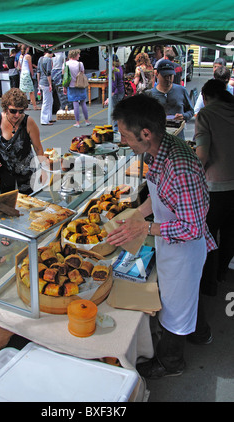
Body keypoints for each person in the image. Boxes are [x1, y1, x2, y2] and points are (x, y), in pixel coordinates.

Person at [107, 94, 216, 378]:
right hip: (170, 242)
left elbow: (192, 227)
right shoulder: (158, 150)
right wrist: (134, 216)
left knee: (176, 305)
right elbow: (157, 199)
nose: (124, 142)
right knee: (186, 296)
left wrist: (146, 228)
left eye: (125, 135)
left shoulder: (179, 165)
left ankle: (170, 362)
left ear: (145, 133)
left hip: (185, 248)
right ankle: (201, 333)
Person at [195, 79, 234, 295]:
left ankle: (208, 285)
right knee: (230, 234)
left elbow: (202, 155)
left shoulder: (206, 115)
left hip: (216, 188)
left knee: (208, 236)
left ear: (206, 96)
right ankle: (222, 273)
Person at [0, 88, 45, 194]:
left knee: (28, 202)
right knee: (7, 202)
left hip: (26, 172)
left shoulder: (28, 122)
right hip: (4, 171)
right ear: (5, 108)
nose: (17, 115)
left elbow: (38, 148)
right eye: (13, 111)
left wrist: (44, 169)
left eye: (21, 111)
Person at [146, 60, 194, 139]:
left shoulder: (181, 90)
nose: (168, 79)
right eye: (165, 76)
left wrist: (183, 116)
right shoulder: (150, 94)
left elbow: (191, 111)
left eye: (170, 75)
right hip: (157, 139)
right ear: (157, 74)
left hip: (178, 139)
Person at [63, 49, 91, 128]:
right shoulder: (80, 64)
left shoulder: (66, 64)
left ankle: (77, 122)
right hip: (80, 85)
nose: (79, 55)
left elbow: (64, 77)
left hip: (71, 86)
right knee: (83, 103)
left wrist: (64, 87)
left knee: (75, 103)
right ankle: (87, 120)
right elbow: (82, 73)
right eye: (78, 54)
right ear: (75, 55)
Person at [37, 48, 55, 124]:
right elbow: (48, 73)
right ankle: (44, 120)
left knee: (49, 100)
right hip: (46, 83)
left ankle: (49, 118)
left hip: (41, 82)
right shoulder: (48, 60)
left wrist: (38, 82)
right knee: (47, 101)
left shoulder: (40, 59)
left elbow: (38, 71)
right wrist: (50, 83)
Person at [18, 45, 38, 110]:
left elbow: (19, 66)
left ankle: (23, 106)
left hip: (22, 74)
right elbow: (30, 66)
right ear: (27, 48)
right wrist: (32, 74)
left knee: (23, 91)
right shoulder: (28, 56)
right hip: (27, 74)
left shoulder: (20, 56)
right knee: (31, 91)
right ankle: (34, 106)